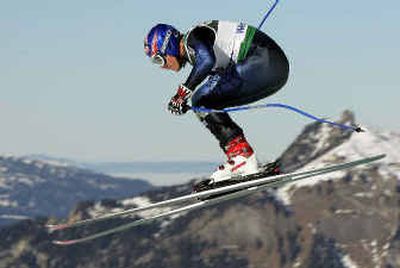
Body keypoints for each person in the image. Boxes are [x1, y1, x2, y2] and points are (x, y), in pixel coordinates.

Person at [144, 20, 289, 184]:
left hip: (262, 61)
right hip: (271, 65)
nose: (162, 67)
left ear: (167, 47)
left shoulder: (194, 37)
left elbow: (206, 61)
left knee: (201, 99)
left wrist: (182, 92)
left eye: (158, 60)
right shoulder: (196, 45)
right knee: (203, 101)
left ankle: (242, 157)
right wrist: (187, 101)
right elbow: (211, 71)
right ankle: (242, 158)